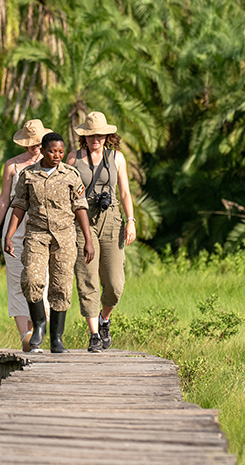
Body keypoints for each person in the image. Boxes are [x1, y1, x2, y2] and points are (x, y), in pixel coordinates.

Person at [4, 132, 94, 353]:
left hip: (64, 237)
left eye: (61, 151)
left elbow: (80, 208)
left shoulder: (71, 175)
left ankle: (57, 339)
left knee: (61, 286)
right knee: (31, 280)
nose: (57, 155)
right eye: (53, 151)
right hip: (36, 234)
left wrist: (88, 240)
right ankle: (39, 326)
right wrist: (8, 235)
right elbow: (19, 206)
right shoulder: (28, 175)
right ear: (43, 150)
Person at [68, 111, 136, 353]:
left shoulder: (116, 158)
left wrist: (131, 220)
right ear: (83, 137)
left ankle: (104, 319)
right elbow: (66, 192)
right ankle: (94, 334)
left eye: (99, 135)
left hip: (111, 219)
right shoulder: (74, 159)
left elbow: (126, 193)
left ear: (107, 136)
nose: (95, 139)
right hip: (82, 220)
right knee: (87, 277)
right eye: (90, 135)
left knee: (115, 284)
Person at [0, 119, 52, 351]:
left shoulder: (51, 163)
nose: (35, 148)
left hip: (42, 227)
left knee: (41, 280)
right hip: (15, 227)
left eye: (39, 143)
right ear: (25, 144)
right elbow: (4, 199)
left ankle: (37, 332)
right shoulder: (12, 166)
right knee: (16, 281)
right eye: (32, 144)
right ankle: (26, 337)